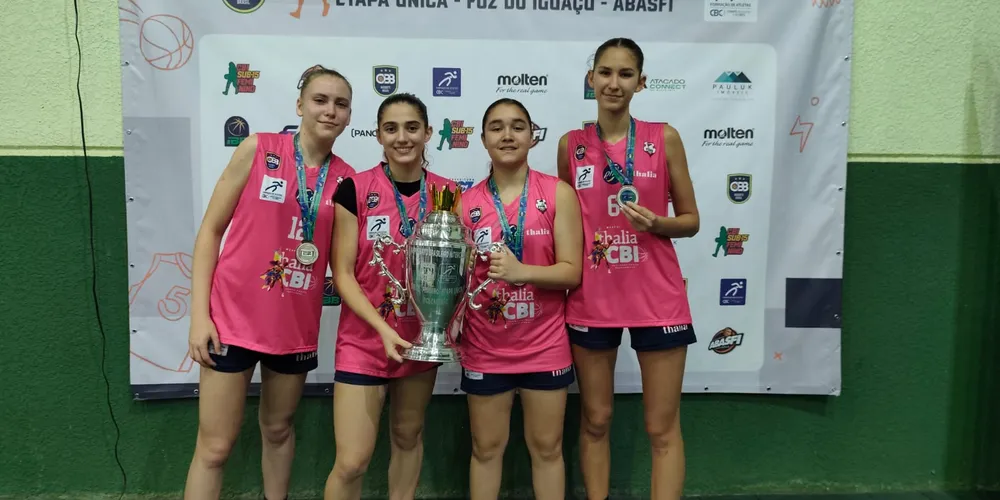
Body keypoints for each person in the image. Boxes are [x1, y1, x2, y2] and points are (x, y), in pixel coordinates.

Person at [183, 64, 356, 500]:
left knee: (278, 430)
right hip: (230, 323)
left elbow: (346, 266)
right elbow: (209, 232)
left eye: (340, 103)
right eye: (320, 100)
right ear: (299, 105)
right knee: (216, 446)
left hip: (293, 329)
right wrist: (198, 316)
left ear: (350, 116)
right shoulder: (258, 149)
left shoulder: (347, 181)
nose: (329, 111)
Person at [556, 37, 700, 500]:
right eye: (605, 72)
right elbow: (563, 225)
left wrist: (659, 223)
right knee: (596, 419)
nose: (613, 83)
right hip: (592, 298)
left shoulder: (665, 138)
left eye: (624, 74)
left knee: (661, 426)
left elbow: (692, 221)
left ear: (641, 83)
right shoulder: (571, 146)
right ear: (590, 79)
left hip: (657, 298)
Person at [324, 93, 456, 500]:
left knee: (407, 435)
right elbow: (343, 274)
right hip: (364, 340)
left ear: (428, 133)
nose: (403, 137)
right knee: (351, 461)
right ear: (378, 135)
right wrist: (382, 329)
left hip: (419, 338)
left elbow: (457, 270)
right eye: (392, 128)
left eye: (412, 127)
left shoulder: (447, 193)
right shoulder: (354, 188)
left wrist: (451, 319)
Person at [458, 98, 583, 500]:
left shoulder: (558, 193)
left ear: (532, 136)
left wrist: (521, 272)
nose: (507, 135)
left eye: (517, 126)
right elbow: (458, 279)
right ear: (482, 139)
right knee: (485, 450)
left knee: (547, 450)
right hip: (485, 348)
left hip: (544, 346)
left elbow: (571, 271)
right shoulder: (466, 204)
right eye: (496, 127)